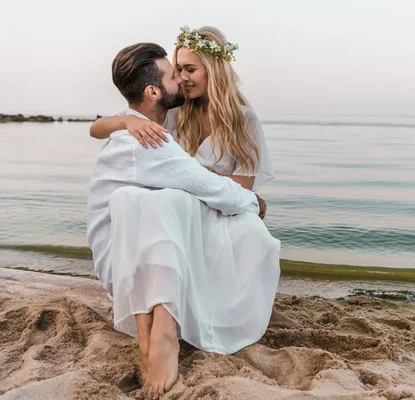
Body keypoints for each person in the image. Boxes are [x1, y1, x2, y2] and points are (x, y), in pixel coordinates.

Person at [87, 42, 280, 398]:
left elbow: (218, 186)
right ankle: (160, 328)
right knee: (155, 199)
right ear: (154, 90)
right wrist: (126, 119)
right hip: (179, 207)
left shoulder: (240, 119)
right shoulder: (166, 120)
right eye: (177, 70)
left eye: (189, 69)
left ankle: (160, 324)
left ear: (213, 71)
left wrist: (227, 193)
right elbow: (98, 128)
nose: (182, 77)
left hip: (199, 207)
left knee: (160, 200)